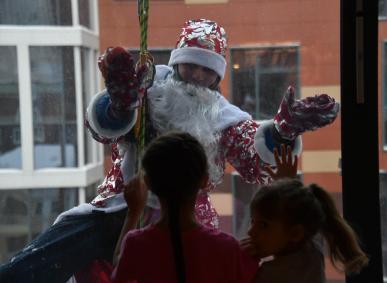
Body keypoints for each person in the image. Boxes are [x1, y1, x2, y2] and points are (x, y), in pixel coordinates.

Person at [0, 19, 339, 283]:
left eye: (207, 70)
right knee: (38, 261)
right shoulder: (148, 94)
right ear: (176, 63)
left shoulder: (223, 118)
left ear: (217, 77)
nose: (196, 76)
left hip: (185, 217)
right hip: (119, 202)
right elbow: (102, 131)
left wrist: (282, 131)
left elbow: (253, 158)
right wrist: (120, 107)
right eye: (190, 65)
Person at [111, 132, 258, 283]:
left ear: (148, 183)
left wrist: (133, 212)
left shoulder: (137, 244)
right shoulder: (226, 248)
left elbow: (119, 268)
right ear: (205, 181)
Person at [241, 149, 369, 283]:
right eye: (252, 221)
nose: (250, 232)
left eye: (263, 225)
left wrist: (242, 262)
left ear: (295, 233)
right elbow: (299, 212)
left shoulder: (270, 276)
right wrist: (285, 182)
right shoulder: (312, 250)